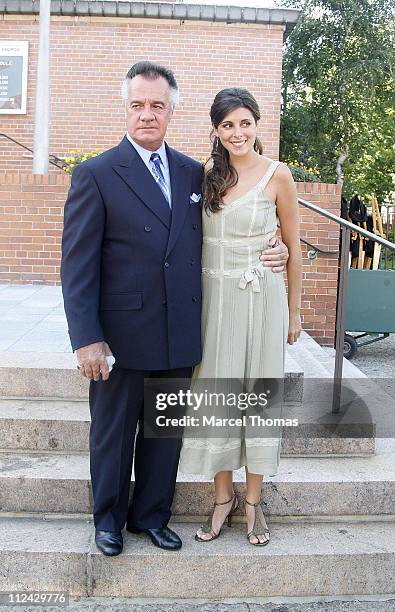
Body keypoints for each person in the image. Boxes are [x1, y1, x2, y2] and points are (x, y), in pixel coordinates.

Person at [61, 63, 289, 557]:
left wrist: (280, 250)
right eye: (138, 105)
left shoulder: (195, 173)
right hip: (120, 334)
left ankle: (152, 517)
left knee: (164, 437)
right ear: (126, 108)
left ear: (172, 111)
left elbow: (227, 232)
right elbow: (77, 265)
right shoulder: (96, 173)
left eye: (157, 105)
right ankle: (109, 521)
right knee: (114, 434)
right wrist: (86, 337)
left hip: (179, 330)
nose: (148, 115)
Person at [179, 88, 302, 546]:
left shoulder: (279, 175)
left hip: (261, 299)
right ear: (215, 130)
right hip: (213, 300)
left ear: (257, 124)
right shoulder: (206, 176)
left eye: (244, 122)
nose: (237, 133)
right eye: (227, 125)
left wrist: (295, 311)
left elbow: (293, 249)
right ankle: (221, 498)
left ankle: (253, 503)